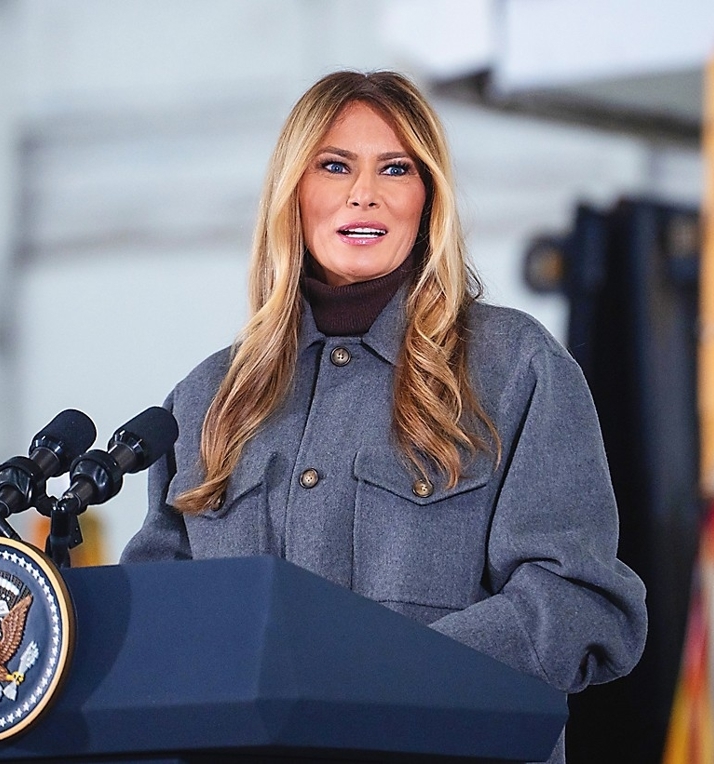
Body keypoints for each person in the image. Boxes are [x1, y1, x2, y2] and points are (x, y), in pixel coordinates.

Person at [120, 70, 646, 761]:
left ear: (427, 199)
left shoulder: (515, 367)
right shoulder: (205, 400)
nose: (363, 192)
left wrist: (384, 674)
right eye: (334, 166)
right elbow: (156, 628)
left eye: (394, 169)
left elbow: (580, 604)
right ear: (294, 193)